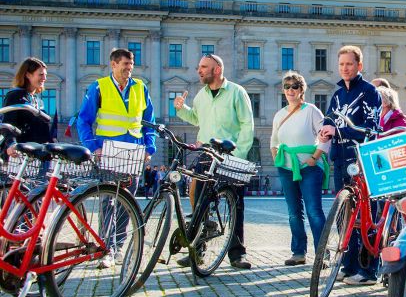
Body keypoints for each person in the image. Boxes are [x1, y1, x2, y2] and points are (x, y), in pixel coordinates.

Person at [77, 48, 157, 269]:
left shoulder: (141, 88)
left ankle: (118, 247)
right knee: (107, 201)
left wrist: (149, 148)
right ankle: (106, 248)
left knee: (126, 202)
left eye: (131, 66)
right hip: (108, 151)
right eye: (124, 66)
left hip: (133, 152)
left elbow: (149, 122)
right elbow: (83, 121)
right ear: (113, 65)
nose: (128, 71)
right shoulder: (99, 87)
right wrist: (93, 147)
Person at [173, 53, 254, 270]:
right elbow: (197, 120)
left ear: (216, 69)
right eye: (199, 67)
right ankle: (197, 251)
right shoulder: (201, 95)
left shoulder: (237, 92)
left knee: (235, 205)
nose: (199, 70)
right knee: (199, 203)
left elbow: (247, 124)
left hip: (230, 156)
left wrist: (240, 155)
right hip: (206, 154)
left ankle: (237, 254)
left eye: (203, 67)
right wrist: (182, 109)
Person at [319, 45, 381, 286]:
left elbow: (372, 128)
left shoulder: (369, 92)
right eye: (342, 64)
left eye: (350, 64)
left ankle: (368, 271)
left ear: (359, 66)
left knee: (366, 215)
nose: (345, 68)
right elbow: (329, 117)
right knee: (344, 214)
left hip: (362, 159)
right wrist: (325, 130)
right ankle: (348, 264)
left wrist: (339, 129)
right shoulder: (336, 94)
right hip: (340, 156)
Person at [270, 71, 329, 266]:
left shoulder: (311, 110)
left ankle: (322, 254)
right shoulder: (280, 114)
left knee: (313, 210)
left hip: (309, 167)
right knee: (293, 212)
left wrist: (315, 158)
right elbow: (274, 140)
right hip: (287, 168)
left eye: (294, 86)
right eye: (287, 87)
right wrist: (276, 156)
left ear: (302, 90)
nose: (290, 90)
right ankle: (298, 252)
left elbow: (325, 135)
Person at [2, 57, 53, 160]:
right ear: (28, 75)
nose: (44, 78)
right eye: (41, 74)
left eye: (45, 75)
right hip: (20, 153)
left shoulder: (37, 100)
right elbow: (7, 124)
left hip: (39, 153)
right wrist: (11, 144)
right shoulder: (15, 95)